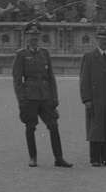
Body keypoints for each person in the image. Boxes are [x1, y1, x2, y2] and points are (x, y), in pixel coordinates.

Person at [12, 22, 73, 168]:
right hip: (30, 95)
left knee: (53, 125)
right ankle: (33, 157)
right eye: (31, 34)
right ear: (26, 36)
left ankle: (59, 158)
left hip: (45, 95)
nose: (34, 37)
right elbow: (17, 79)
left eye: (37, 34)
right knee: (30, 127)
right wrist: (21, 99)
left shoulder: (45, 53)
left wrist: (55, 97)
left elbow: (51, 76)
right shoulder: (21, 54)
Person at [79, 26, 106, 167]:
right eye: (102, 39)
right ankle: (95, 158)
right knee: (96, 128)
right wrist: (86, 99)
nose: (105, 42)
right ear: (97, 39)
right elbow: (84, 79)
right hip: (95, 98)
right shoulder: (90, 56)